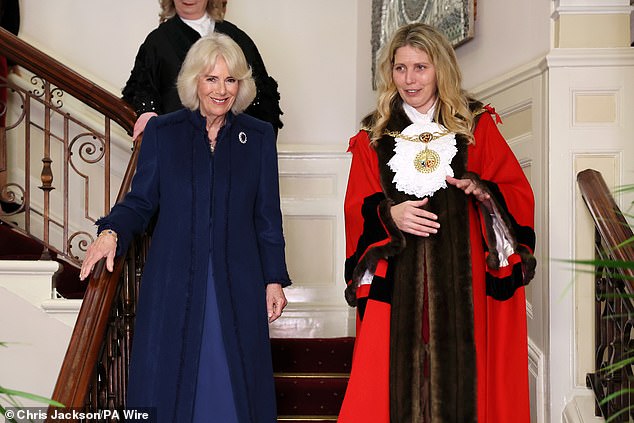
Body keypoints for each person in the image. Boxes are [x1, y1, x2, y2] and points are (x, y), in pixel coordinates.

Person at [80, 33, 290, 423]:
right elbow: (141, 201)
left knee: (235, 387)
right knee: (172, 384)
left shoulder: (258, 138)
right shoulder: (164, 133)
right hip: (173, 280)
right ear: (194, 80)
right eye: (212, 79)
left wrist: (273, 279)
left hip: (239, 281)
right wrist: (110, 232)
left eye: (231, 80)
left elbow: (267, 217)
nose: (221, 90)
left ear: (241, 85)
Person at [338, 23, 536, 423]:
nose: (409, 79)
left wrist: (484, 193)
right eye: (400, 68)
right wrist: (388, 215)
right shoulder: (372, 137)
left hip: (463, 286)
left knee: (462, 389)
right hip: (396, 283)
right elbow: (356, 205)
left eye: (421, 67)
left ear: (440, 69)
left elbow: (516, 193)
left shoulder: (475, 128)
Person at [122, 0, 283, 140]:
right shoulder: (156, 42)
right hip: (178, 148)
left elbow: (263, 98)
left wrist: (257, 147)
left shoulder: (237, 38)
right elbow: (142, 89)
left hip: (232, 151)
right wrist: (147, 111)